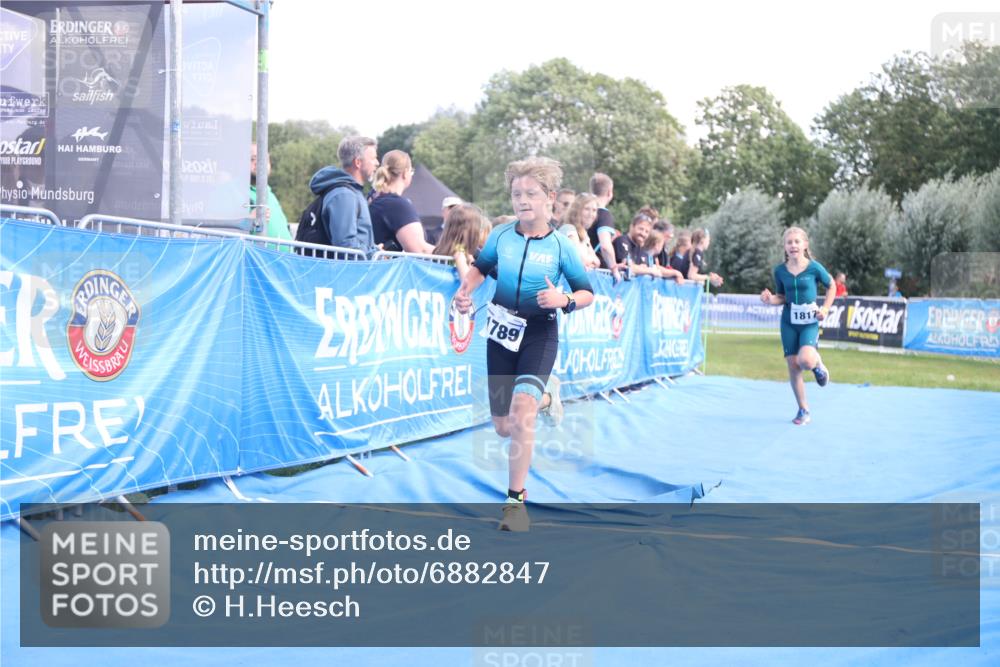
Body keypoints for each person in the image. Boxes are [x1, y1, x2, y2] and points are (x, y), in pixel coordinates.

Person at [454, 157, 594, 531]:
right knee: (503, 426)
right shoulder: (501, 237)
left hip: (539, 333)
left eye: (530, 193)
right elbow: (479, 270)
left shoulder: (563, 246)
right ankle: (550, 398)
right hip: (500, 332)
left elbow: (586, 293)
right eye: (516, 193)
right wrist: (464, 292)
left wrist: (563, 300)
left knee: (521, 413)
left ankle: (515, 504)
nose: (522, 200)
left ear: (549, 197)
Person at [760, 226, 836, 425]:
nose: (793, 245)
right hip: (788, 323)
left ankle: (818, 365)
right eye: (789, 242)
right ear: (784, 247)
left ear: (805, 245)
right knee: (793, 366)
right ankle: (803, 410)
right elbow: (782, 297)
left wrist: (825, 309)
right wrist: (769, 300)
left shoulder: (814, 267)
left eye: (797, 241)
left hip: (810, 322)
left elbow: (832, 286)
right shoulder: (780, 271)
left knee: (806, 361)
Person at [299, 136, 378, 255]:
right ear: (358, 162)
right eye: (373, 158)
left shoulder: (350, 193)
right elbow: (346, 247)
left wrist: (374, 250)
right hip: (347, 272)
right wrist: (373, 255)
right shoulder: (344, 196)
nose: (377, 163)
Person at [369, 150, 435, 254]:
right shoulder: (397, 205)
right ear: (405, 173)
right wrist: (455, 255)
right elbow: (420, 250)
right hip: (388, 269)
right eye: (411, 171)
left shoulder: (373, 198)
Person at [249, 144, 293, 249]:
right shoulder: (236, 192)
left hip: (283, 262)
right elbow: (227, 233)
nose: (259, 163)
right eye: (253, 159)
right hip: (258, 262)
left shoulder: (269, 193)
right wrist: (250, 220)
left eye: (264, 159)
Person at [434, 203, 491, 281]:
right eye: (478, 227)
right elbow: (466, 282)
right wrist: (471, 260)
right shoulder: (459, 252)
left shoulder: (445, 248)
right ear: (472, 230)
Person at [586, 172, 620, 279]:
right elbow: (605, 246)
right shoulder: (604, 215)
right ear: (610, 192)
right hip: (596, 275)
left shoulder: (581, 212)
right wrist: (614, 269)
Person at [612, 213, 659, 278]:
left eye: (647, 232)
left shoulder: (641, 249)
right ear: (632, 226)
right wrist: (649, 270)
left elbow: (644, 267)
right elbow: (628, 267)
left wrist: (643, 269)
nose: (643, 234)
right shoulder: (622, 241)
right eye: (641, 229)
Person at [562, 193, 601, 269]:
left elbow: (597, 262)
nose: (591, 214)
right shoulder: (568, 229)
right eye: (587, 209)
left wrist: (589, 261)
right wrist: (589, 260)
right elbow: (580, 260)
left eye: (594, 210)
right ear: (577, 210)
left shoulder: (584, 234)